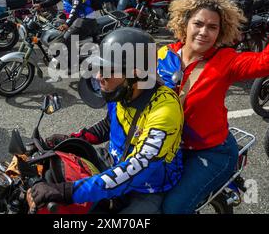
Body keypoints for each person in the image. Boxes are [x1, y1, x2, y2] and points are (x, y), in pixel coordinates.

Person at [157, 0, 269, 214]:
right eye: (198, 24)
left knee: (172, 207)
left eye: (212, 27)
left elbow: (268, 61)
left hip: (211, 152)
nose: (203, 32)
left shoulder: (226, 61)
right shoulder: (163, 54)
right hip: (166, 147)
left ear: (220, 32)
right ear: (184, 23)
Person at [27, 27, 184, 214]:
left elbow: (137, 170)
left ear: (135, 74)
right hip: (115, 160)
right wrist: (71, 139)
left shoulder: (165, 110)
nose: (99, 77)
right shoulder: (124, 92)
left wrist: (66, 192)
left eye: (108, 70)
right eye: (99, 68)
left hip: (148, 185)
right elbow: (110, 124)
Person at [33, 0, 98, 73]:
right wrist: (41, 5)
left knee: (65, 40)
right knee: (53, 28)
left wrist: (67, 24)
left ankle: (72, 65)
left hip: (85, 20)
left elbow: (75, 9)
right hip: (73, 18)